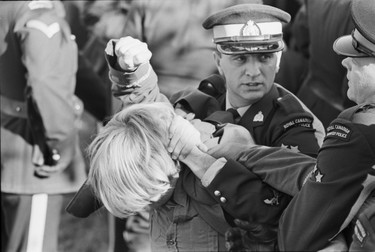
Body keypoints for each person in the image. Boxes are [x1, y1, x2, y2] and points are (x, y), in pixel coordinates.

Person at [0, 1, 86, 251]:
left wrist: (108, 109)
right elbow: (45, 79)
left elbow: (73, 63)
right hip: (31, 156)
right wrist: (58, 145)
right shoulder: (38, 8)